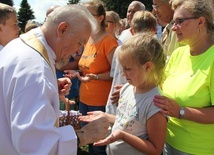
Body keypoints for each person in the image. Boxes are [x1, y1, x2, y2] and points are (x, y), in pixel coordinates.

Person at [0, 4, 109, 155]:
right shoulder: (36, 70)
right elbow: (36, 147)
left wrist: (49, 87)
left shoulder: (21, 45)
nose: (79, 51)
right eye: (80, 42)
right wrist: (84, 135)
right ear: (62, 29)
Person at [80, 33, 167, 155]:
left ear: (147, 67)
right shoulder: (127, 88)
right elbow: (128, 121)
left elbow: (155, 149)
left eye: (128, 69)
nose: (123, 74)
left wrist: (123, 136)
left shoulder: (155, 103)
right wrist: (106, 116)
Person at [153, 0, 214, 154]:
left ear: (201, 22)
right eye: (174, 22)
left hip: (197, 149)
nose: (173, 28)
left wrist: (181, 111)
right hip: (168, 142)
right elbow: (160, 85)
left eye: (180, 21)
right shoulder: (178, 54)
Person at [65, 1, 118, 154]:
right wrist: (77, 74)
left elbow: (115, 73)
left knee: (99, 146)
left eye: (88, 14)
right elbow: (86, 67)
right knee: (88, 142)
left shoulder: (109, 42)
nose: (84, 18)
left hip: (100, 103)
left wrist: (95, 77)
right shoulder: (88, 40)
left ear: (100, 18)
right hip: (85, 100)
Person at [106, 10, 157, 115]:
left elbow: (114, 75)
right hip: (127, 105)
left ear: (132, 31)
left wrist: (125, 89)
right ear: (154, 30)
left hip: (127, 104)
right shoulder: (152, 54)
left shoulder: (120, 49)